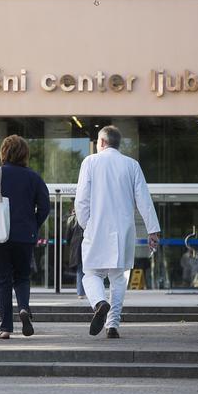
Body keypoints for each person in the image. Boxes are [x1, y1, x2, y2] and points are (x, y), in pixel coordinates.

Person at [75, 125, 161, 339]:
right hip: (123, 231)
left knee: (91, 274)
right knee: (118, 279)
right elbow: (144, 199)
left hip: (97, 228)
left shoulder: (90, 162)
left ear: (102, 142)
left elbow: (82, 199)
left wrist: (86, 224)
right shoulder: (132, 165)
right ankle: (112, 324)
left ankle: (99, 303)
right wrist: (153, 230)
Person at [0, 135, 50, 339]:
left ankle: (6, 327)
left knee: (3, 280)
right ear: (25, 154)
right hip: (25, 235)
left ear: (3, 152)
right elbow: (45, 206)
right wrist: (33, 224)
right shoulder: (33, 177)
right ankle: (24, 308)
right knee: (22, 276)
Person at [65, 209, 86, 298]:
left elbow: (68, 236)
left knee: (80, 270)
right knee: (91, 270)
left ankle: (80, 293)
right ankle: (90, 292)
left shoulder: (71, 219)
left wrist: (70, 244)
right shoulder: (89, 216)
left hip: (76, 247)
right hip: (87, 245)